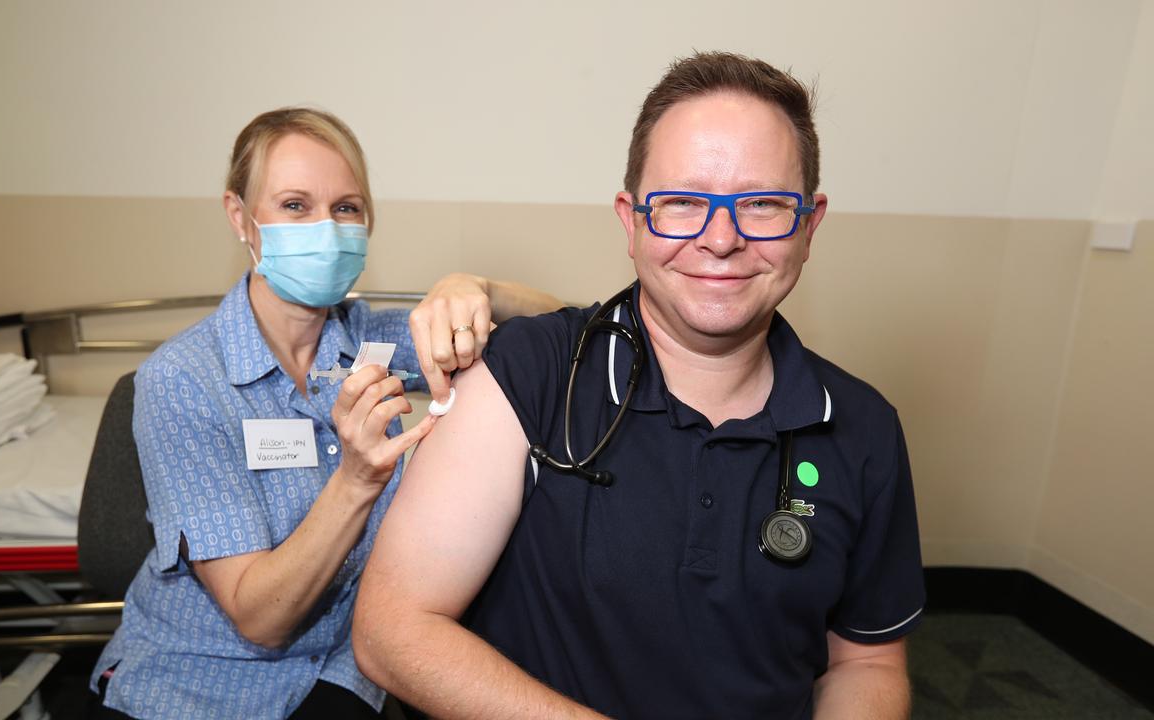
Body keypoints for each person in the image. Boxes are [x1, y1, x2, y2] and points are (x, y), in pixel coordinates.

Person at [353, 52, 925, 719]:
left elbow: (867, 661)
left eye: (763, 204)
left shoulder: (862, 428)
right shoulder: (530, 374)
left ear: (809, 224)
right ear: (631, 219)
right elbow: (393, 630)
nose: (721, 239)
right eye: (682, 202)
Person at [88, 107, 561, 719]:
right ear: (240, 217)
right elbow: (259, 618)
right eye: (294, 206)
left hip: (341, 674)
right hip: (199, 686)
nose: (326, 229)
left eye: (346, 208)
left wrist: (470, 286)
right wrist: (357, 480)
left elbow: (551, 327)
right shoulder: (182, 381)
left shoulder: (371, 343)